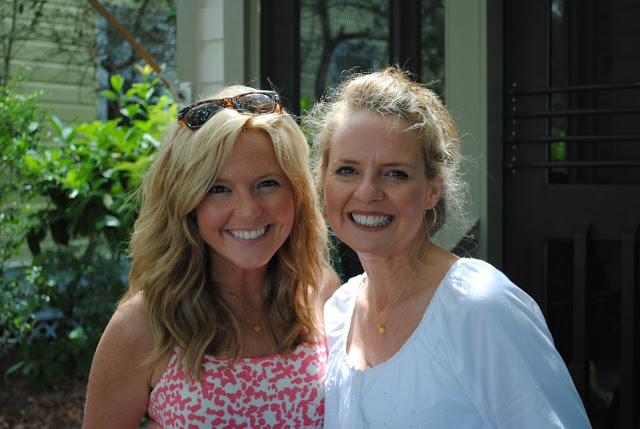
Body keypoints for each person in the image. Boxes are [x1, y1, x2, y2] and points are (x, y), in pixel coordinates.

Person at [303, 66, 592, 428]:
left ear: (432, 191)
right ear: (323, 180)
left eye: (395, 173)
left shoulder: (479, 307)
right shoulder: (338, 312)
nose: (366, 192)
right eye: (347, 170)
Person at [83, 86, 339, 428]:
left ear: (297, 192)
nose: (248, 211)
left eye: (267, 183)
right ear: (186, 203)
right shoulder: (142, 324)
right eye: (218, 189)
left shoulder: (320, 291)